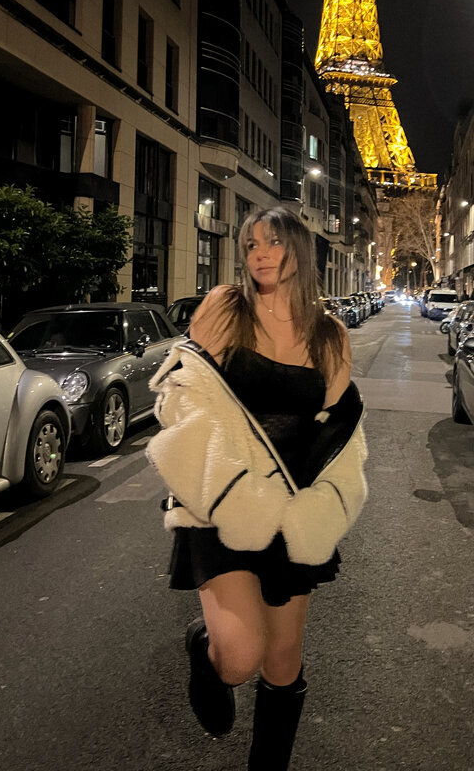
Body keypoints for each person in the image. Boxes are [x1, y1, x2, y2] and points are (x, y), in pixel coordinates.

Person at [146, 206, 367, 770]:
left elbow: (336, 429)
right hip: (219, 502)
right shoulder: (226, 307)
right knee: (241, 658)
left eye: (273, 242)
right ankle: (206, 649)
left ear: (299, 250)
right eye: (250, 245)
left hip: (289, 508)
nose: (260, 254)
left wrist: (320, 506)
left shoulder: (329, 334)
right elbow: (185, 395)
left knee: (283, 658)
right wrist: (227, 485)